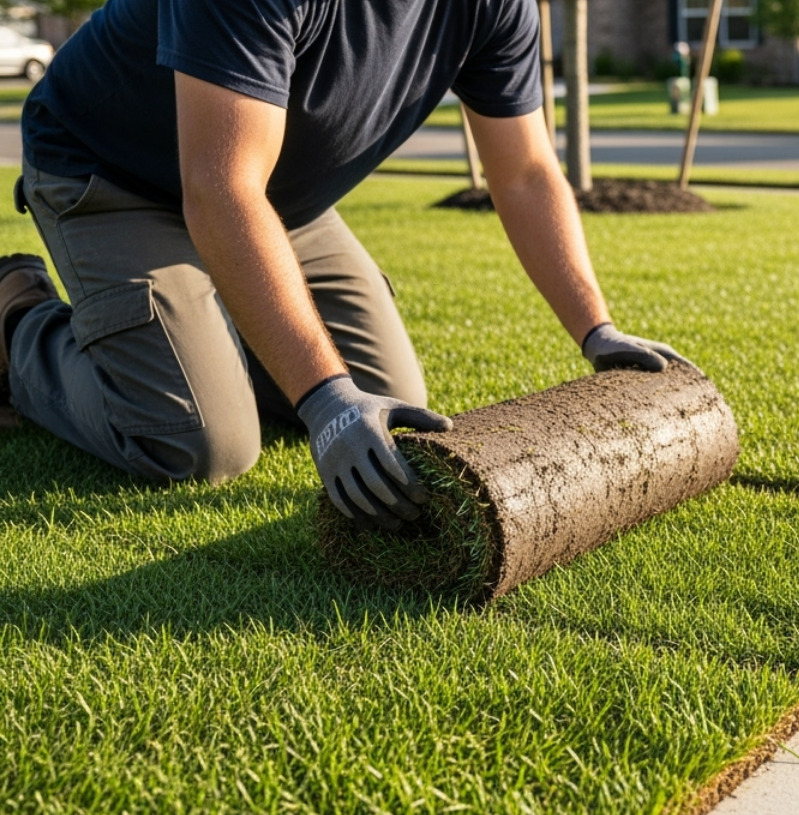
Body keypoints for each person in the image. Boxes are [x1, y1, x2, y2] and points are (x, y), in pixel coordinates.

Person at [0, 0, 691, 531]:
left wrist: (595, 328)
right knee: (203, 444)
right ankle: (15, 318)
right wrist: (324, 398)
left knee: (391, 405)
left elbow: (526, 173)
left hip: (274, 199)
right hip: (116, 176)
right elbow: (218, 189)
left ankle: (212, 334)